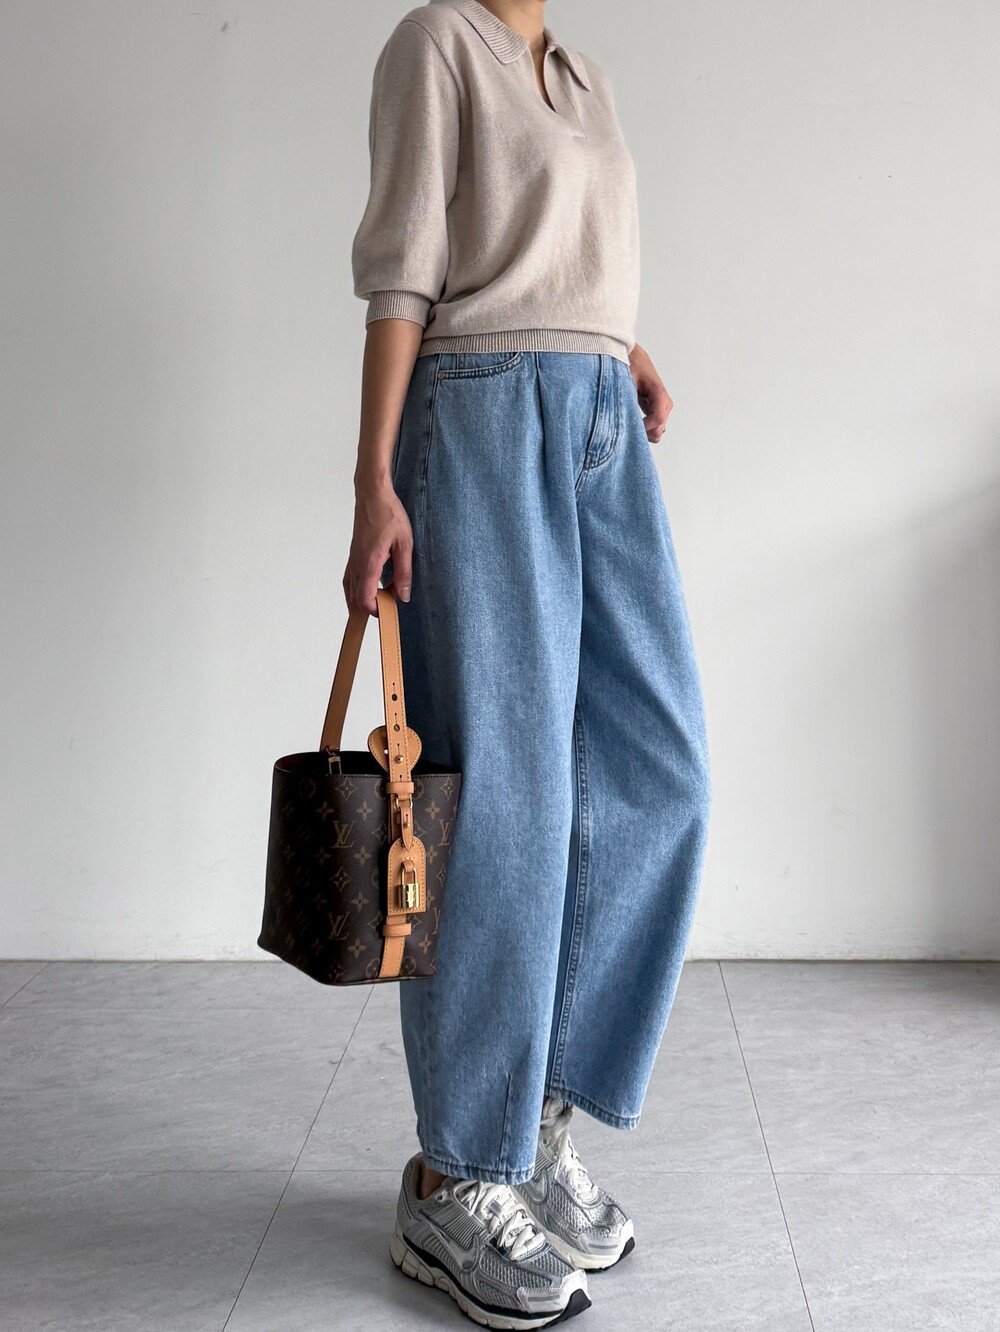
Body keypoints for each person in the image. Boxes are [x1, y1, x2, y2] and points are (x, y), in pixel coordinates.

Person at [345, 1, 712, 1325]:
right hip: (483, 419)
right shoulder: (437, 45)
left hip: (598, 418)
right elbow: (407, 275)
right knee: (506, 803)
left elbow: (557, 253)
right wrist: (373, 483)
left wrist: (621, 348)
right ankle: (457, 1176)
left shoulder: (582, 74)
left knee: (659, 774)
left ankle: (532, 1123)